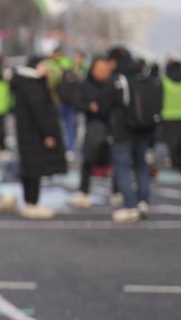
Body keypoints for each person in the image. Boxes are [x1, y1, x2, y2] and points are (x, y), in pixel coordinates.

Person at [10, 56, 67, 219]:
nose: (47, 68)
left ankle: (29, 202)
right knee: (34, 170)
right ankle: (32, 203)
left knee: (29, 169)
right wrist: (48, 133)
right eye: (45, 65)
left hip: (27, 132)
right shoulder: (33, 85)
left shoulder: (24, 83)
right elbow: (40, 112)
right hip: (34, 134)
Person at [107, 46, 158, 223]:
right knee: (141, 165)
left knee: (122, 167)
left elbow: (108, 105)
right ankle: (143, 202)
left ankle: (130, 206)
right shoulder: (143, 77)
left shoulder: (118, 80)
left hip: (123, 131)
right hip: (144, 129)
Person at [70, 55, 114, 208]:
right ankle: (83, 192)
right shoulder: (85, 85)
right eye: (99, 69)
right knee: (88, 159)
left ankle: (117, 192)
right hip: (93, 127)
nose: (103, 72)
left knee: (114, 160)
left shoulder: (113, 84)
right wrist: (89, 105)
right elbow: (76, 102)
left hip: (112, 127)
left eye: (105, 69)